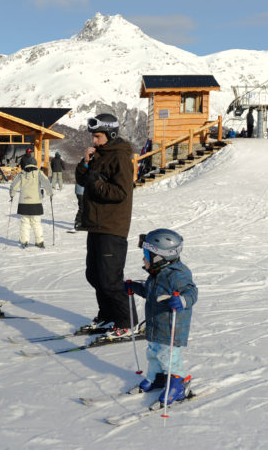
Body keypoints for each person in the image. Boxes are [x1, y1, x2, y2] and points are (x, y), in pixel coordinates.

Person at [75, 113, 137, 337]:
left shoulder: (119, 157)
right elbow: (83, 180)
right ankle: (108, 317)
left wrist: (97, 183)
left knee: (110, 279)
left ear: (110, 134)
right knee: (94, 275)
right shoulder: (100, 154)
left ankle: (127, 322)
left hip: (113, 226)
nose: (94, 141)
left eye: (98, 136)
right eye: (93, 136)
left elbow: (121, 192)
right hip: (96, 225)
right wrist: (85, 163)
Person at [128, 228, 198, 405]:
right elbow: (151, 293)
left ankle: (178, 385)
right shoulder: (156, 274)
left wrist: (182, 300)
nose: (143, 258)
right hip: (155, 326)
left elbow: (192, 292)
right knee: (153, 354)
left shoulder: (178, 275)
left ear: (160, 258)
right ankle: (157, 378)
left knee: (169, 359)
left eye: (146, 254)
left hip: (171, 328)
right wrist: (135, 288)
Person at [9, 156, 52, 248]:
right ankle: (39, 241)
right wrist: (50, 193)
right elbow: (47, 183)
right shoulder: (39, 173)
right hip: (36, 203)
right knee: (36, 223)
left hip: (23, 203)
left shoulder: (21, 174)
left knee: (25, 223)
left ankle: (24, 241)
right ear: (35, 164)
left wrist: (12, 195)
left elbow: (14, 185)